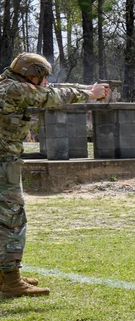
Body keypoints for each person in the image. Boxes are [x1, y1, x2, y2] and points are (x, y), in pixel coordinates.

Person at [0, 53, 110, 297]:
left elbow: (53, 89)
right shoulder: (14, 90)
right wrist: (90, 93)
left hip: (5, 163)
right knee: (12, 220)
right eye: (43, 77)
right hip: (3, 165)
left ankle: (4, 274)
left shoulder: (7, 85)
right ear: (32, 76)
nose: (46, 82)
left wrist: (87, 89)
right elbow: (53, 96)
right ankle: (10, 279)